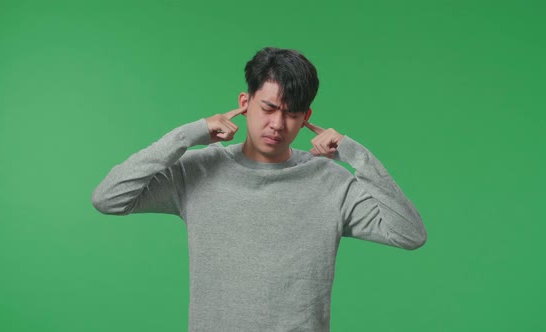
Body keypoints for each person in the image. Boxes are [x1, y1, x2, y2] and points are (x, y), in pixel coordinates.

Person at [91, 47, 427, 332]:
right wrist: (188, 135)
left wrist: (356, 154)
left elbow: (409, 234)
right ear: (244, 102)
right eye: (268, 108)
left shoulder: (331, 182)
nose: (278, 124)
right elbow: (109, 198)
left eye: (292, 114)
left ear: (307, 116)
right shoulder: (198, 171)